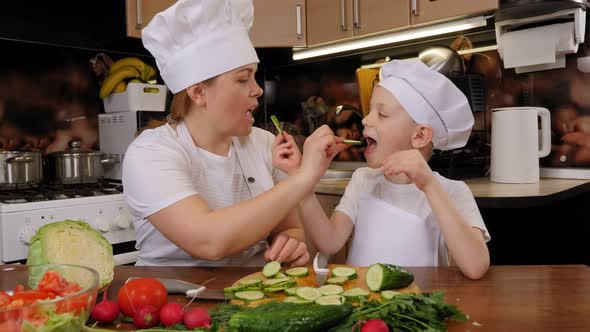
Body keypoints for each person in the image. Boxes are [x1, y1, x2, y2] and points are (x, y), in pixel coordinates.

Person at [122, 0, 346, 266]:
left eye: (254, 76)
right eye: (243, 79)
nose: (258, 90)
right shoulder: (151, 153)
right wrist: (305, 175)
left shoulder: (263, 144)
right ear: (198, 92)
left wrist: (291, 239)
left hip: (252, 298)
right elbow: (209, 241)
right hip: (170, 300)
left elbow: (287, 227)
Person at [275, 60, 491, 279]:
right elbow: (330, 242)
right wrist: (300, 177)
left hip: (415, 308)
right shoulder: (363, 180)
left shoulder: (453, 192)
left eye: (382, 114)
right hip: (363, 305)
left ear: (420, 136)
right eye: (370, 111)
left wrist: (429, 185)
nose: (366, 119)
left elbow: (475, 267)